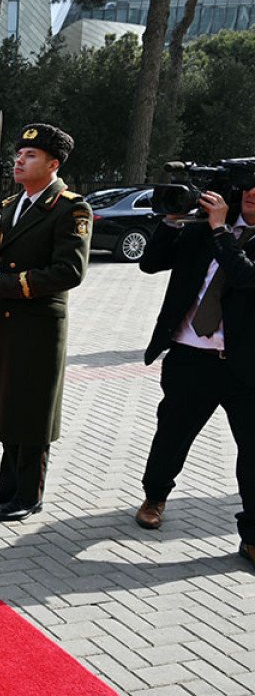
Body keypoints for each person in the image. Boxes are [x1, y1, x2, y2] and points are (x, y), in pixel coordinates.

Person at [0, 123, 91, 523]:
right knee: (8, 405)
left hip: (38, 326)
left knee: (32, 410)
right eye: (19, 154)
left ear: (53, 164)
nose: (19, 160)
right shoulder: (10, 205)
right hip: (4, 322)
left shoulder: (70, 209)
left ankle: (29, 493)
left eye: (30, 155)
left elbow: (70, 271)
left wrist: (5, 284)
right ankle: (8, 483)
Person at [132, 180, 255, 568]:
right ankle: (155, 496)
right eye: (249, 184)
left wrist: (220, 231)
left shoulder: (216, 229)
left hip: (246, 365)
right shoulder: (202, 227)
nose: (253, 192)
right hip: (190, 357)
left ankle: (252, 536)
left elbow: (245, 276)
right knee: (172, 434)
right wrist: (171, 221)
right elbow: (151, 263)